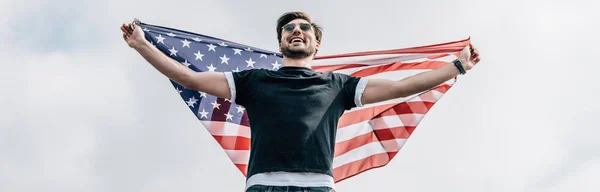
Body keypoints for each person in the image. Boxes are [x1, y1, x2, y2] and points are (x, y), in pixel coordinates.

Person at [120, 12, 480, 192]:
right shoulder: (254, 80)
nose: (297, 31)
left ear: (316, 44)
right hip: (263, 185)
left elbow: (402, 87)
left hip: (317, 186)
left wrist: (457, 67)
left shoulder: (338, 85)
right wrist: (141, 45)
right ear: (280, 44)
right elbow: (190, 78)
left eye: (304, 28)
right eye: (289, 28)